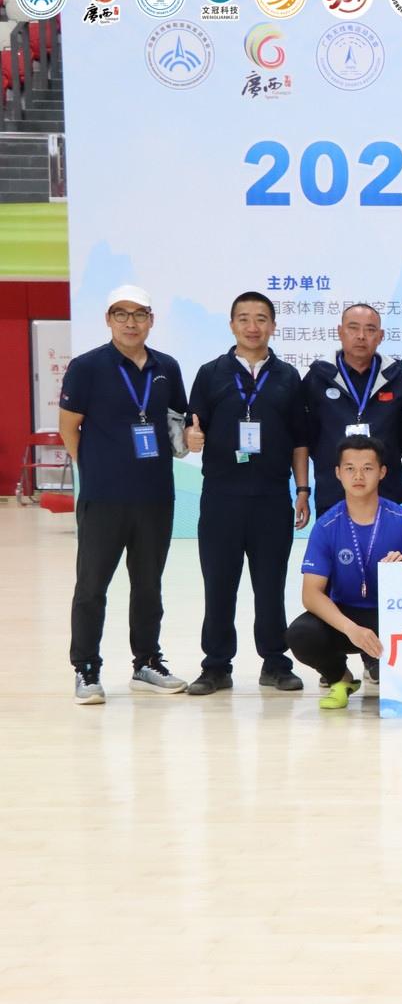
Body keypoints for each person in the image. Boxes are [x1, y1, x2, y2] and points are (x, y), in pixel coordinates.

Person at [59, 285, 192, 703]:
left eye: (139, 314)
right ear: (108, 320)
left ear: (151, 320)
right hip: (104, 497)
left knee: (148, 585)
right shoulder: (87, 367)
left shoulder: (167, 367)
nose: (130, 323)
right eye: (121, 314)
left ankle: (146, 662)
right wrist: (97, 468)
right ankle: (86, 668)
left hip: (155, 495)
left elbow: (176, 423)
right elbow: (69, 427)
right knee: (92, 586)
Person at [183, 291, 313, 696]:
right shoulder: (210, 373)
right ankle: (216, 666)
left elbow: (300, 440)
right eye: (244, 318)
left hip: (272, 497)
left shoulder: (288, 377)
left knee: (270, 585)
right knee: (219, 585)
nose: (252, 327)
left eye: (260, 319)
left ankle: (275, 662)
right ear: (231, 325)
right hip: (221, 497)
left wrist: (303, 490)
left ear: (273, 326)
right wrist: (191, 437)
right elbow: (191, 426)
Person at [287, 436, 402, 710]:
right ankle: (340, 678)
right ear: (338, 473)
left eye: (367, 468)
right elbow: (311, 594)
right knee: (301, 634)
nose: (358, 476)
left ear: (382, 472)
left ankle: (398, 673)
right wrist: (351, 629)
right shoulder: (327, 525)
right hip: (345, 616)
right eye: (350, 468)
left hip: (392, 615)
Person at [301, 303, 402, 517]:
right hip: (333, 491)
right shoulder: (318, 377)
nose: (361, 336)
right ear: (340, 332)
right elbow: (306, 435)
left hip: (386, 491)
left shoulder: (394, 377)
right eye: (353, 328)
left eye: (370, 329)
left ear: (380, 336)